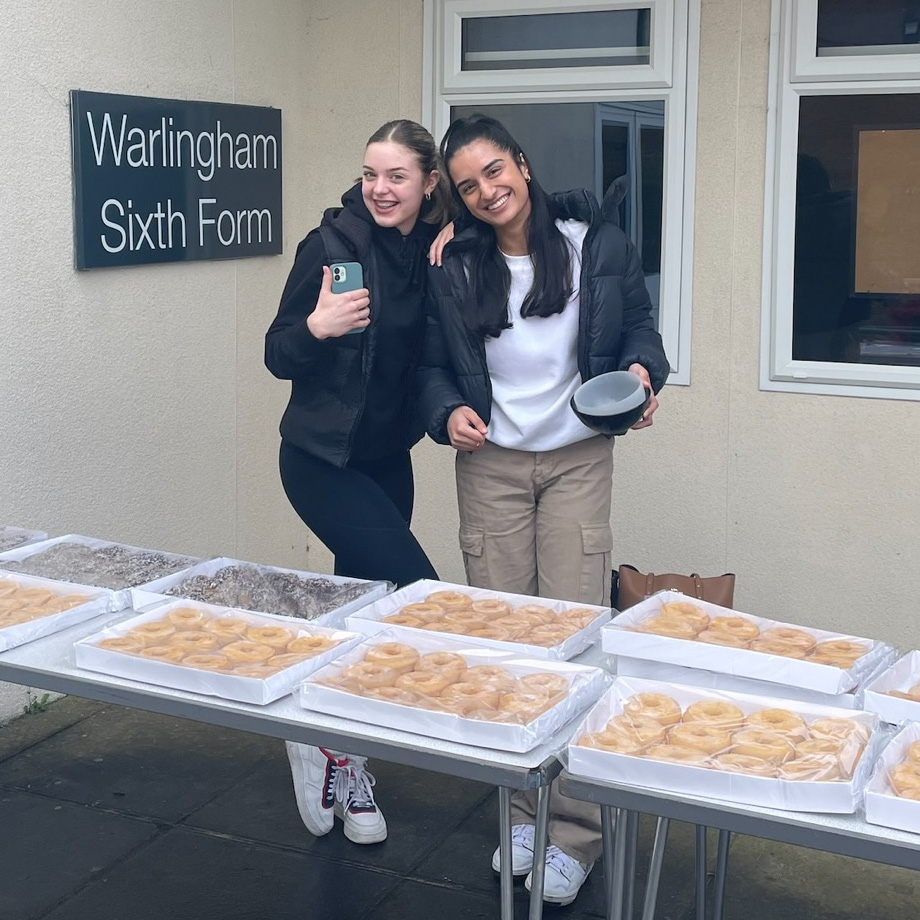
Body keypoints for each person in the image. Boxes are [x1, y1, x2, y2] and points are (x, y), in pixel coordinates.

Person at [416, 114, 669, 905]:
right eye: (468, 186)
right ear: (456, 199)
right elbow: (431, 364)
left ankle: (575, 830)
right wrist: (445, 410)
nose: (489, 191)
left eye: (496, 172)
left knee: (573, 635)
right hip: (488, 464)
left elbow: (640, 331)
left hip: (576, 461)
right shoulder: (454, 263)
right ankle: (521, 812)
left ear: (522, 165)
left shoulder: (595, 242)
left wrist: (641, 373)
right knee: (504, 642)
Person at [265, 119, 452, 846]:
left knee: (361, 612)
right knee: (418, 593)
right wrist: (316, 327)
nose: (379, 188)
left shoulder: (433, 249)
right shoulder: (330, 247)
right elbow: (277, 354)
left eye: (397, 176)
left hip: (383, 459)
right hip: (318, 459)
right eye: (371, 174)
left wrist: (456, 232)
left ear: (428, 184)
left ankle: (342, 756)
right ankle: (314, 732)